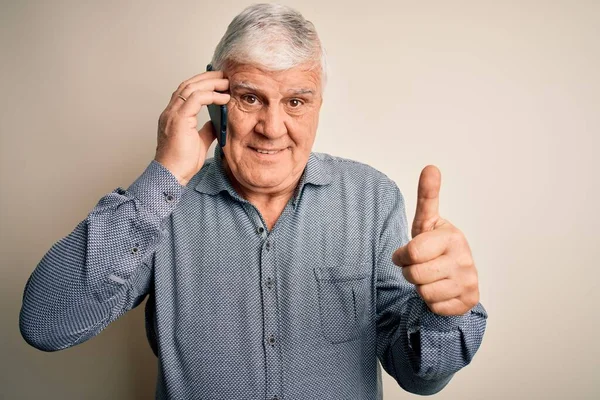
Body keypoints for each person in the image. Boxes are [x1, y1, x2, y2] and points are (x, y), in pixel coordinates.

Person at [19, 3, 488, 399]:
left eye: (296, 102)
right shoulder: (164, 205)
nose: (272, 127)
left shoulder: (372, 198)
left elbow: (417, 377)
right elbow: (46, 322)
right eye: (249, 98)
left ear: (319, 104)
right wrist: (166, 174)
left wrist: (443, 316)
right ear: (216, 99)